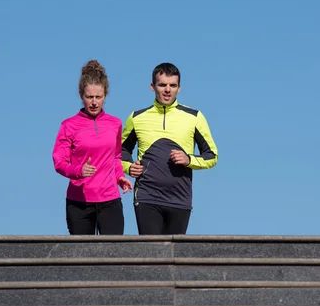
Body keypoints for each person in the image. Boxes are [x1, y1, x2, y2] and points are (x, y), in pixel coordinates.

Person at [121, 62, 218, 235]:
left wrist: (189, 160)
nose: (167, 90)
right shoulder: (136, 118)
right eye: (162, 85)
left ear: (179, 88)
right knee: (151, 254)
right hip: (147, 196)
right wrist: (129, 167)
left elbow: (211, 156)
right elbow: (119, 152)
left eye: (172, 85)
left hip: (179, 199)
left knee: (174, 258)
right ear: (152, 87)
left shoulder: (194, 117)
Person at [52, 59, 133, 235]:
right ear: (81, 95)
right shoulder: (69, 125)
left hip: (110, 199)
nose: (94, 102)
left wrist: (120, 177)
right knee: (82, 258)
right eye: (89, 97)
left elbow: (116, 157)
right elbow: (59, 162)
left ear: (106, 95)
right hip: (79, 201)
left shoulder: (115, 124)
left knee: (114, 255)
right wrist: (78, 170)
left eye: (99, 97)